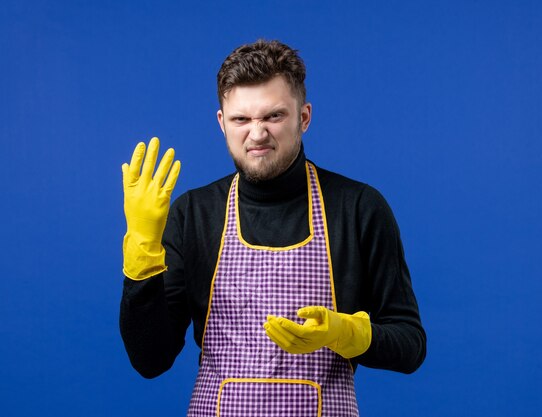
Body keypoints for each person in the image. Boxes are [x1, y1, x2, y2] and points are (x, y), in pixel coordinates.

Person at [120, 39, 426, 417]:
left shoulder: (358, 207)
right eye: (241, 119)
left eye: (273, 116)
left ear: (304, 117)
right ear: (222, 123)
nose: (257, 133)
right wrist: (142, 251)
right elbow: (150, 359)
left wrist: (346, 333)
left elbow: (411, 345)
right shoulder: (194, 214)